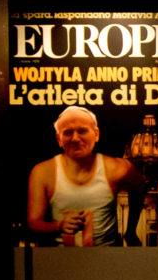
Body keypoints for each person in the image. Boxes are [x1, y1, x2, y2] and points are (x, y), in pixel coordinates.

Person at [27, 105, 145, 246]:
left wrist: (130, 230)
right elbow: (34, 223)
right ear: (59, 139)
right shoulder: (43, 172)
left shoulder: (116, 168)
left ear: (96, 134)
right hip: (60, 259)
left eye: (82, 131)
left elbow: (139, 187)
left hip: (107, 258)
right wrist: (58, 226)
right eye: (68, 133)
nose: (75, 138)